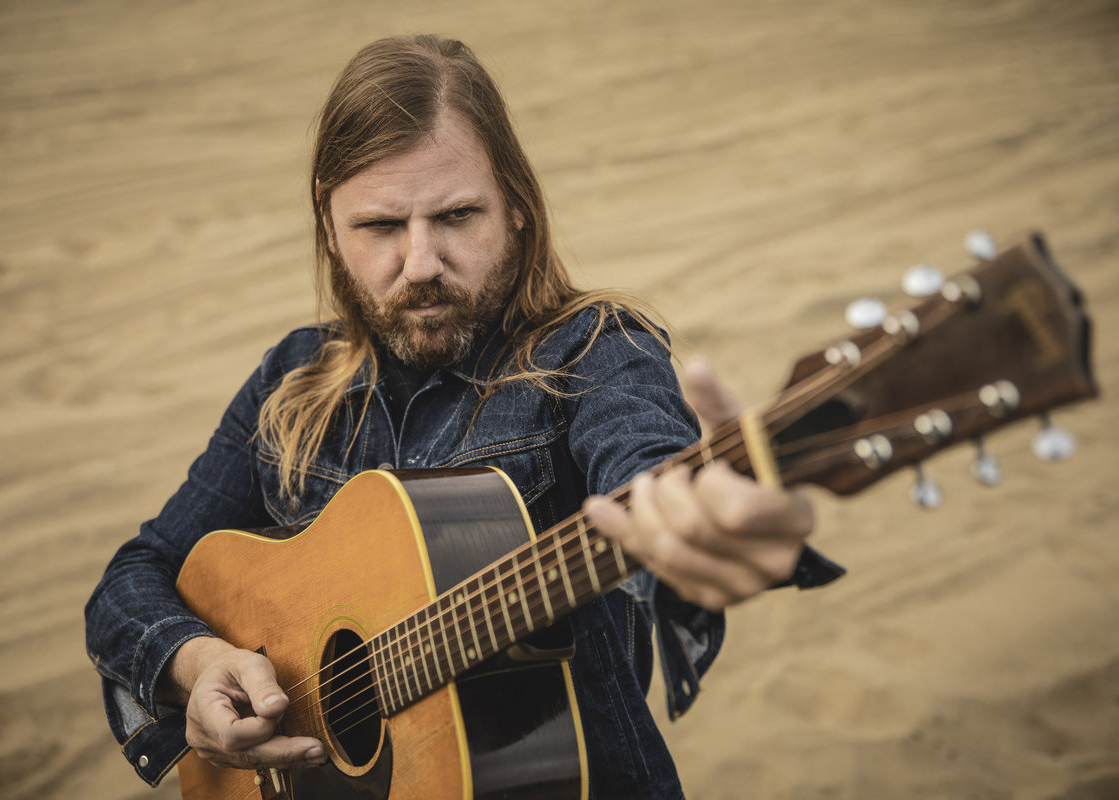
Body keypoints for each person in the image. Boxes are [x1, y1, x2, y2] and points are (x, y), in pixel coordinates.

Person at [85, 34, 841, 799]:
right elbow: (131, 581)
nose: (420, 263)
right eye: (381, 226)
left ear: (515, 205)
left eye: (456, 215)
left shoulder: (596, 353)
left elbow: (645, 461)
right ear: (327, 221)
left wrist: (709, 521)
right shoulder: (292, 379)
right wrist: (198, 664)